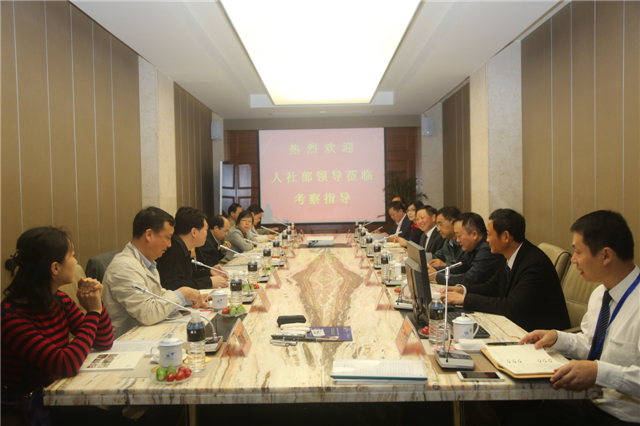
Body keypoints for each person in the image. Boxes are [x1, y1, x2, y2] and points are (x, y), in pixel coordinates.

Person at [512, 211, 639, 426]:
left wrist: (599, 373)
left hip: (622, 416)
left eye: (578, 252)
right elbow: (592, 343)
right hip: (588, 401)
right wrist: (557, 338)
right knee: (519, 415)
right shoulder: (600, 294)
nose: (573, 260)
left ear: (606, 256)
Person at [1, 227, 114, 424]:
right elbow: (66, 363)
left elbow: (103, 341)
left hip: (57, 398)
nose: (76, 262)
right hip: (31, 410)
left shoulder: (58, 300)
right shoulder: (11, 318)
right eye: (72, 256)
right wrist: (93, 312)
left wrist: (96, 304)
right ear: (55, 268)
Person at [442, 209, 570, 331]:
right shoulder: (510, 255)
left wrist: (464, 299)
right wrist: (462, 290)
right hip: (516, 326)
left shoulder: (535, 264)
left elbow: (511, 307)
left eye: (489, 234)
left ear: (506, 236)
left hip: (539, 335)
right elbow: (491, 287)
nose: (487, 239)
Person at [102, 207, 207, 339]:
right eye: (168, 238)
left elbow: (159, 296)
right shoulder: (123, 267)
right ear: (149, 235)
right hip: (127, 341)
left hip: (147, 334)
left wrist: (188, 299)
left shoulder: (146, 262)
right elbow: (148, 313)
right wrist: (183, 293)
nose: (169, 245)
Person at [156, 207, 228, 291]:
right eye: (206, 230)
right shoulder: (173, 250)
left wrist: (209, 272)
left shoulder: (182, 247)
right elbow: (173, 285)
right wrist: (209, 281)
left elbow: (187, 276)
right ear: (194, 232)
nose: (207, 234)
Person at [428, 212, 502, 286]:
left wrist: (436, 277)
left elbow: (471, 278)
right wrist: (434, 270)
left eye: (459, 236)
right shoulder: (471, 247)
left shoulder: (488, 248)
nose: (457, 240)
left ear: (474, 234)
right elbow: (459, 268)